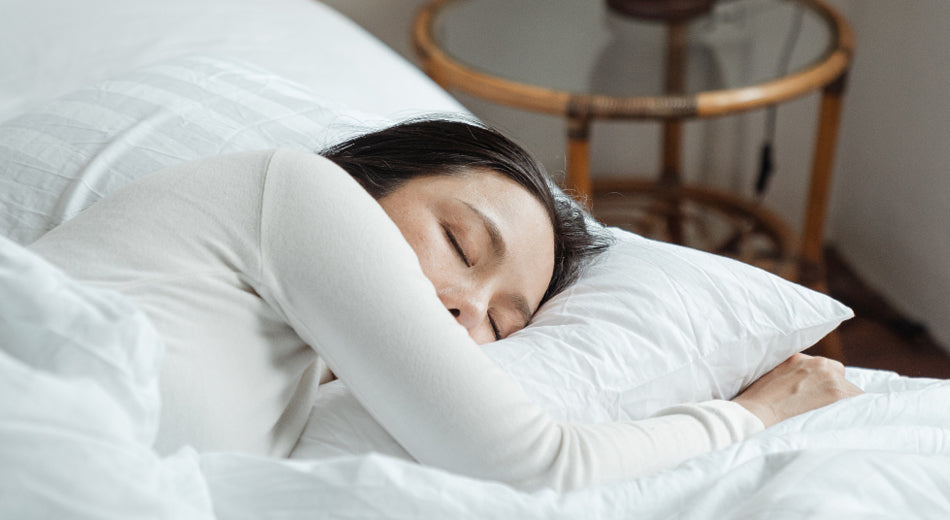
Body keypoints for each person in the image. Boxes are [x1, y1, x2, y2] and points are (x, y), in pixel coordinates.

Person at [28, 118, 861, 492]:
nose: (465, 311)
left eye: (503, 324)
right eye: (462, 246)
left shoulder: (291, 378)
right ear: (364, 179)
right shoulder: (298, 189)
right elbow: (538, 462)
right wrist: (750, 415)